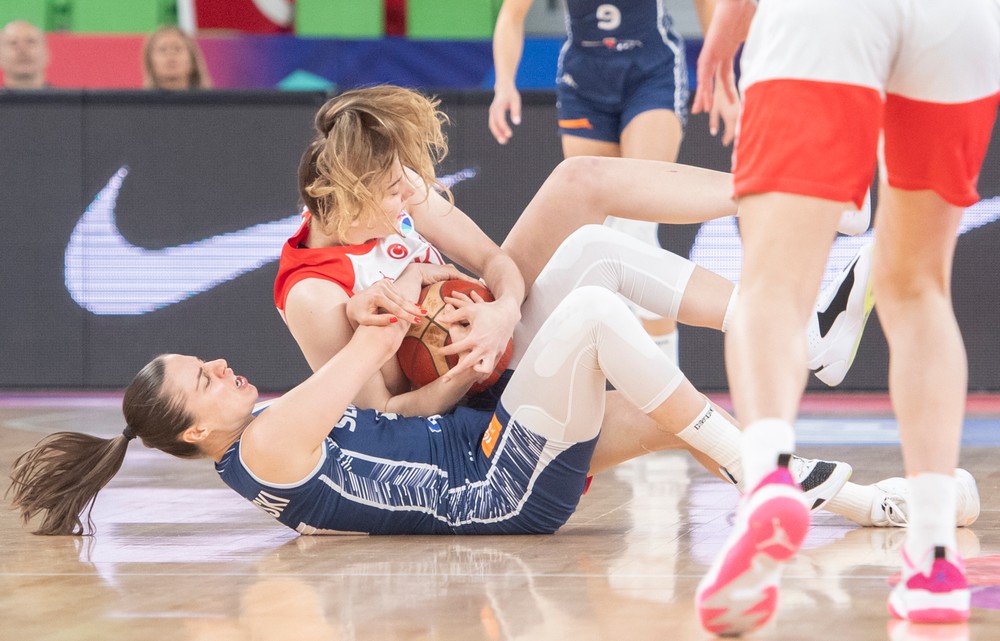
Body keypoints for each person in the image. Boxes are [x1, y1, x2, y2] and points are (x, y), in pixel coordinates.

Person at [277, 86, 978, 530]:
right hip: (483, 417)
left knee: (583, 198)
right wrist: (470, 365)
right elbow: (378, 423)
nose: (414, 199)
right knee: (649, 387)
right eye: (396, 194)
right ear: (341, 197)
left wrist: (499, 313)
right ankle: (863, 497)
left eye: (411, 185)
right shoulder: (316, 294)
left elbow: (494, 265)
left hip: (504, 345)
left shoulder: (392, 191)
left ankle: (794, 238)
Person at [691, 0, 1000, 634]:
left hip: (825, 17)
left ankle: (772, 478)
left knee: (773, 283)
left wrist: (728, 21)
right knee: (919, 289)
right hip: (962, 24)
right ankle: (935, 555)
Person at [489, 0, 741, 364]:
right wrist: (504, 84)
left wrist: (721, 78)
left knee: (638, 227)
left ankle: (668, 376)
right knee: (599, 230)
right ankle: (617, 378)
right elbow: (511, 15)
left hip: (650, 70)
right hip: (585, 80)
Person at [142, 25, 212, 90]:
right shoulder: (140, 102)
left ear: (192, 61)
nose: (170, 55)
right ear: (150, 62)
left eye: (177, 49)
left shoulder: (211, 102)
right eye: (163, 50)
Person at [0, 20, 49, 90]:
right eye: (13, 43)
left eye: (31, 42)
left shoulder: (65, 100)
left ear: (46, 54)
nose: (23, 50)